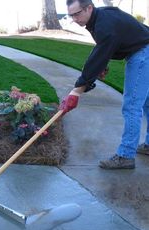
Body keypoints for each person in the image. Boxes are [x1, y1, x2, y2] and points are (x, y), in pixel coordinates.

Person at [60, 0, 149, 169]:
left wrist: (77, 91)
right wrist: (103, 63)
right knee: (147, 102)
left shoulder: (103, 24)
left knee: (132, 105)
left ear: (89, 8)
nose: (74, 19)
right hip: (145, 48)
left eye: (77, 14)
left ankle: (125, 156)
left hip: (143, 53)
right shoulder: (99, 18)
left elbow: (98, 56)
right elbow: (107, 46)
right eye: (71, 15)